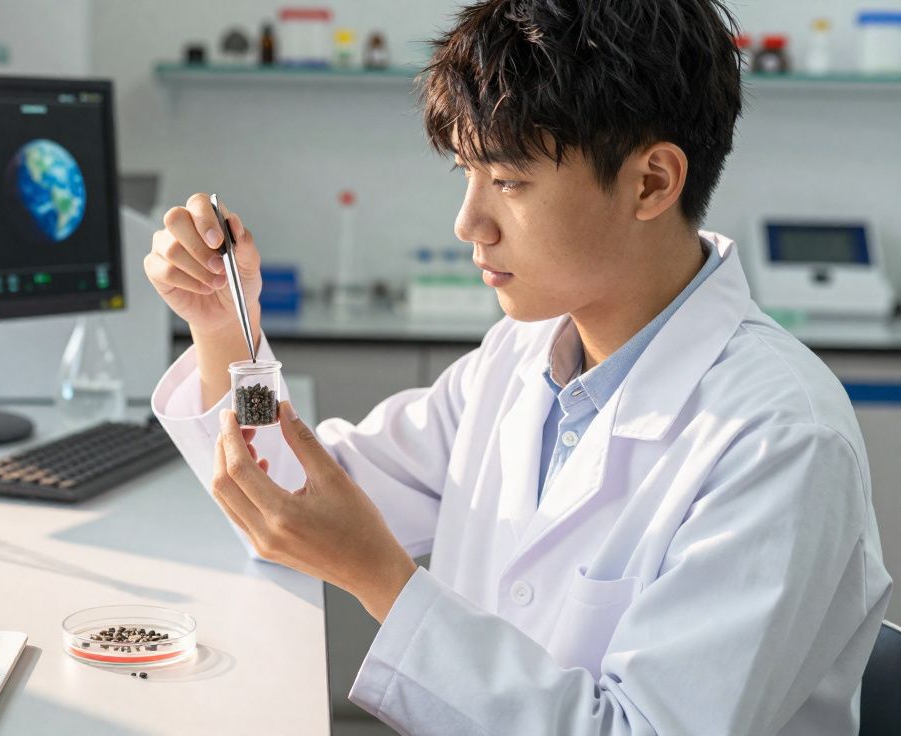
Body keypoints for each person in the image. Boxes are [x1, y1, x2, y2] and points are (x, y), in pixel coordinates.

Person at [143, 0, 892, 733]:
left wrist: (383, 580)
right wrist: (225, 333)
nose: (469, 222)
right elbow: (279, 501)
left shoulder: (780, 442)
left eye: (507, 182)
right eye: (467, 174)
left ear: (652, 183)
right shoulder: (521, 357)